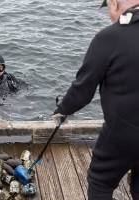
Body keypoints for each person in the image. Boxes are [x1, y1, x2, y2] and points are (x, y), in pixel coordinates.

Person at [52, 0, 139, 199]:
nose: (109, 15)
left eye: (108, 7)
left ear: (115, 3)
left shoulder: (109, 37)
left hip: (124, 133)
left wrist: (62, 109)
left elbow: (83, 89)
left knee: (101, 181)